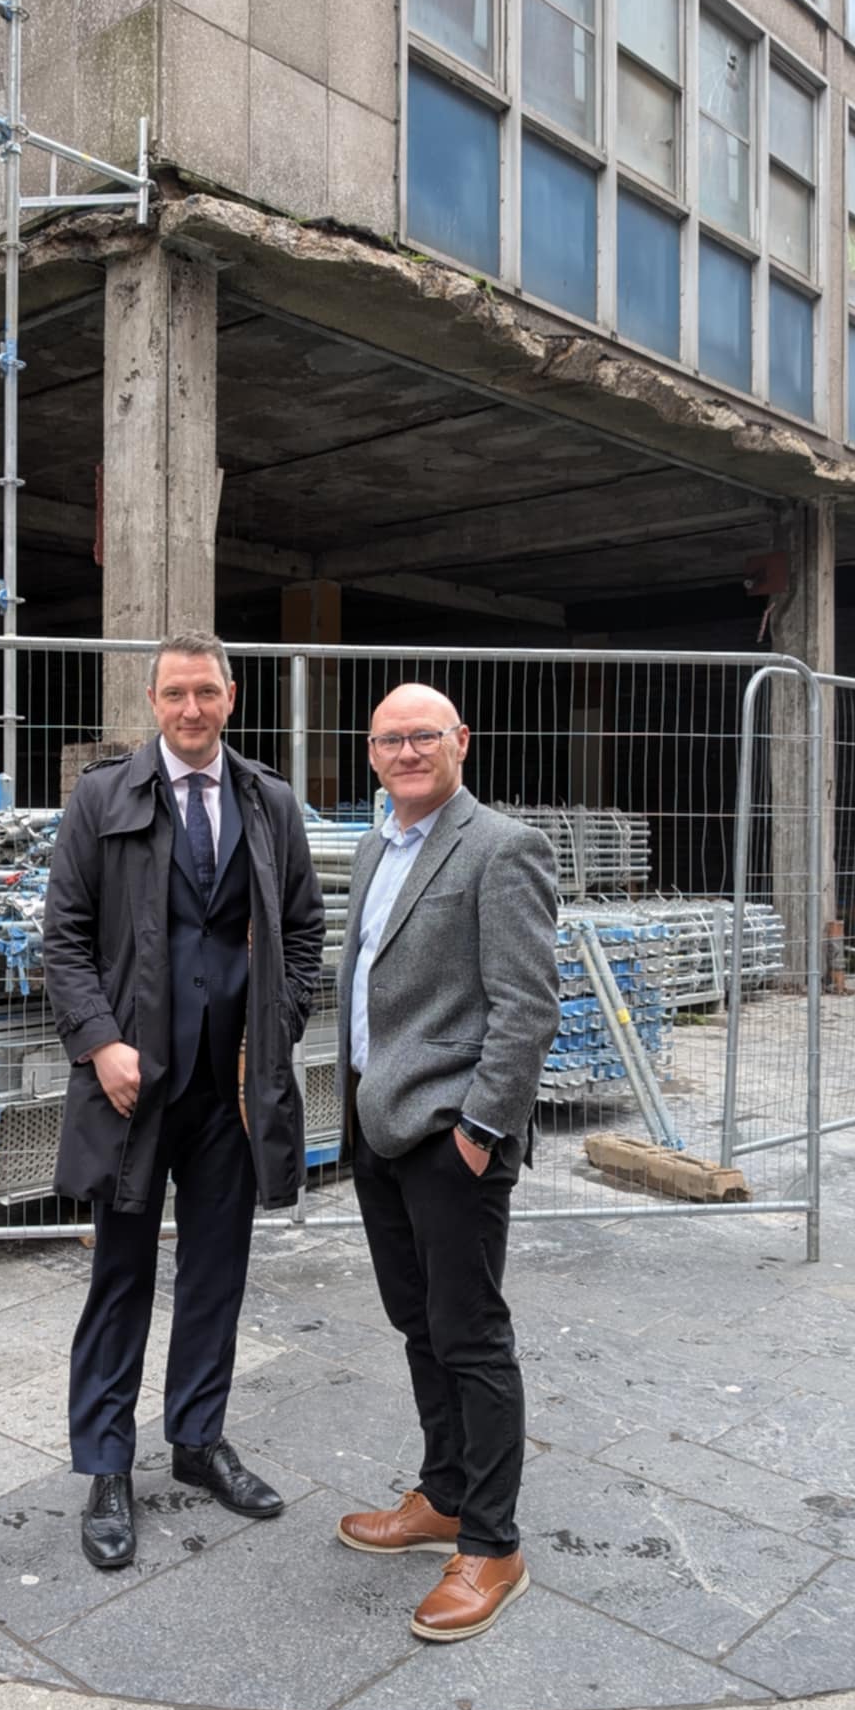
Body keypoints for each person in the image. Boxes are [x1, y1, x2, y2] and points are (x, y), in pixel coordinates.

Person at [42, 631, 325, 1570]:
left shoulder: (269, 803)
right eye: (176, 694)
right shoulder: (103, 797)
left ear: (231, 697)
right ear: (153, 700)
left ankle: (198, 1442)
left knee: (216, 1274)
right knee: (119, 1278)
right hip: (135, 1085)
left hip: (232, 1090)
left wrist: (272, 1034)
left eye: (207, 692)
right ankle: (108, 1466)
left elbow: (304, 929)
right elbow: (66, 940)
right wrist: (100, 1043)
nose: (192, 709)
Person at [335, 684, 559, 1642]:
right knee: (418, 1321)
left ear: (461, 741)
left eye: (424, 735)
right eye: (391, 739)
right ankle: (444, 1496)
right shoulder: (377, 845)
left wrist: (479, 1128)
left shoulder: (500, 847)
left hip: (450, 1135)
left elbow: (527, 1006)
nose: (407, 751)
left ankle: (495, 1545)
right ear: (373, 753)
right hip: (377, 1123)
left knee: (469, 1334)